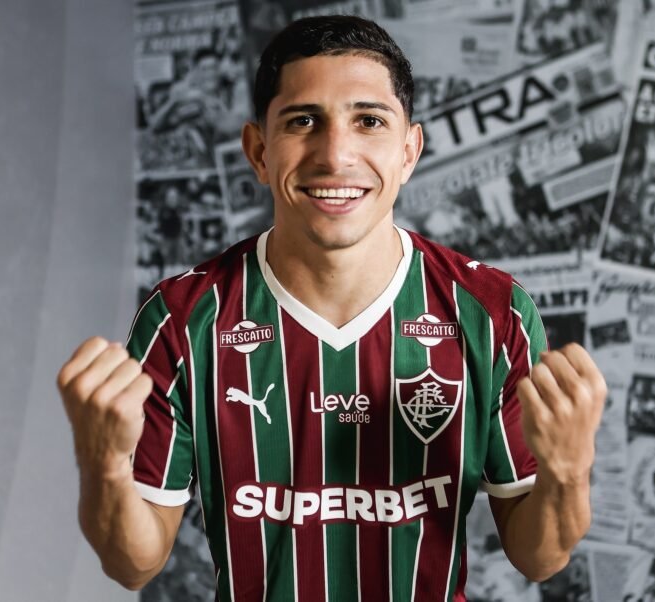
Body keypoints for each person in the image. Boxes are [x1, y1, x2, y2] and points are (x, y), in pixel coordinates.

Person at [57, 15, 607, 601]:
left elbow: (540, 556)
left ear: (409, 151)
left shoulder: (491, 312)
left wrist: (568, 471)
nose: (336, 154)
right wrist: (103, 464)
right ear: (258, 152)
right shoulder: (183, 317)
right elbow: (134, 565)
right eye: (303, 121)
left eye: (369, 121)